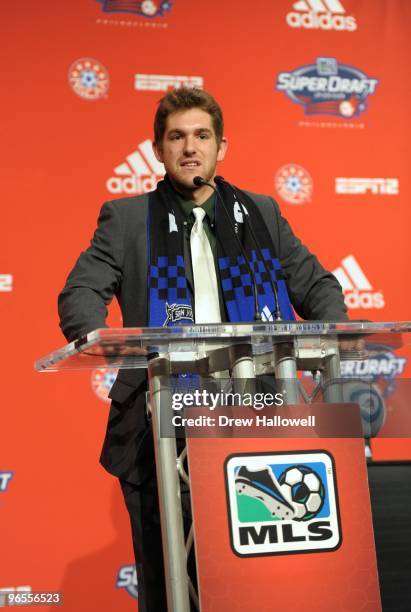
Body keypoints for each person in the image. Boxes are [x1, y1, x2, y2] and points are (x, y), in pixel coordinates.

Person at [58, 88, 348, 611]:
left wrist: (337, 335)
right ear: (157, 149)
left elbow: (318, 286)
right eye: (176, 137)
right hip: (159, 420)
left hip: (261, 411)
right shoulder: (127, 219)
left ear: (221, 147)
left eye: (201, 135)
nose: (190, 147)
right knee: (170, 578)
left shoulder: (260, 212)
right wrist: (94, 336)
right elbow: (81, 291)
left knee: (262, 580)